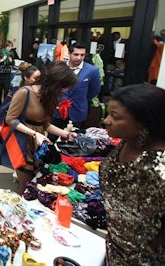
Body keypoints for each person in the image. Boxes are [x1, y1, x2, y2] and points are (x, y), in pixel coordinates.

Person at [99, 83, 165, 265]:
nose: (106, 120)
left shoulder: (159, 168)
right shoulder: (127, 142)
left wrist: (148, 246)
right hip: (114, 248)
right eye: (108, 113)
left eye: (116, 116)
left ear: (144, 122)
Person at [5, 61, 78, 195]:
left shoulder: (47, 96)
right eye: (64, 86)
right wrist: (34, 134)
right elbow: (10, 119)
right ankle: (15, 210)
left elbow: (45, 124)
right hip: (23, 143)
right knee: (25, 184)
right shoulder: (25, 92)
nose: (66, 90)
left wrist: (66, 134)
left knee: (33, 182)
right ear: (56, 83)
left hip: (38, 143)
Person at [49, 42, 101, 140]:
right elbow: (51, 86)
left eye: (82, 55)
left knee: (73, 140)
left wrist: (81, 99)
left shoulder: (92, 71)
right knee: (52, 138)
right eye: (76, 54)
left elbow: (94, 91)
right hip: (57, 110)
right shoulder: (59, 67)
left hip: (77, 110)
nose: (79, 58)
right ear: (69, 53)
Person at [0, 40, 15, 106]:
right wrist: (2, 60)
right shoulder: (0, 52)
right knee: (0, 88)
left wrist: (11, 61)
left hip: (7, 72)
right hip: (0, 72)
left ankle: (5, 101)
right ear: (5, 46)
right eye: (9, 46)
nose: (10, 48)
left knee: (6, 88)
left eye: (11, 46)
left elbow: (13, 64)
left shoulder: (11, 53)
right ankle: (0, 100)